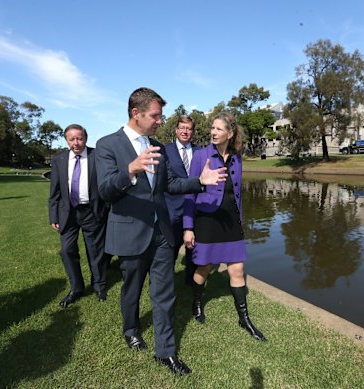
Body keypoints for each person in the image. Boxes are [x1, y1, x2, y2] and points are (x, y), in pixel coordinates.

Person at [95, 87, 227, 375]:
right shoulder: (107, 145)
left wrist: (200, 181)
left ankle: (165, 352)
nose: (159, 121)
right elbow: (105, 191)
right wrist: (130, 170)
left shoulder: (157, 146)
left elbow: (170, 185)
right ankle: (130, 328)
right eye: (155, 115)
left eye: (160, 116)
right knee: (132, 288)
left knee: (164, 293)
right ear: (136, 113)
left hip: (163, 233)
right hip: (131, 232)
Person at [183, 112, 266, 341]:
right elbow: (190, 193)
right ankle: (197, 303)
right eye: (212, 128)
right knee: (205, 267)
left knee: (237, 269)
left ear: (230, 133)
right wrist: (188, 227)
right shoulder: (201, 156)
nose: (213, 132)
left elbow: (237, 193)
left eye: (218, 129)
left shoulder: (237, 158)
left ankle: (244, 319)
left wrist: (240, 219)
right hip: (207, 221)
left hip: (230, 221)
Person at [49, 124, 112, 307]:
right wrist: (53, 215)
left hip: (92, 211)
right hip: (67, 213)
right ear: (66, 140)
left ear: (86, 138)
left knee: (95, 251)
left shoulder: (96, 156)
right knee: (67, 250)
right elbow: (54, 191)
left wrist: (105, 207)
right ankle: (76, 288)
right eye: (72, 139)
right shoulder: (59, 160)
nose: (76, 143)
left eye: (79, 138)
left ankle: (99, 285)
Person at [164, 116, 200, 285]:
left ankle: (191, 280)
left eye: (189, 128)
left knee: (193, 248)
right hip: (172, 209)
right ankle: (166, 282)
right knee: (171, 249)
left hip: (195, 208)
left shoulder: (201, 152)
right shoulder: (165, 151)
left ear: (193, 132)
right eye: (182, 128)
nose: (185, 131)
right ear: (176, 130)